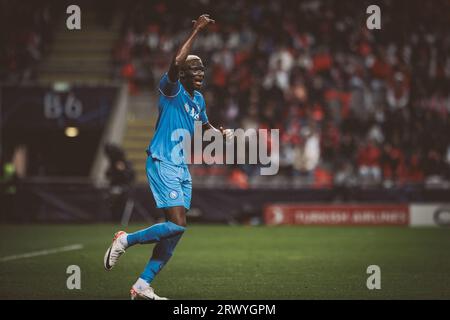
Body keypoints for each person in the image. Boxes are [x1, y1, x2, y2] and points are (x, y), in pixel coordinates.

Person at [103, 14, 233, 300]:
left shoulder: (198, 100)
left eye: (203, 70)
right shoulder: (170, 89)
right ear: (183, 74)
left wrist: (217, 133)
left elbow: (203, 124)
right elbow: (176, 63)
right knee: (177, 223)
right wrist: (197, 30)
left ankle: (142, 285)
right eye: (195, 70)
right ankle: (125, 239)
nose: (201, 74)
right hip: (162, 161)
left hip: (181, 166)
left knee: (176, 231)